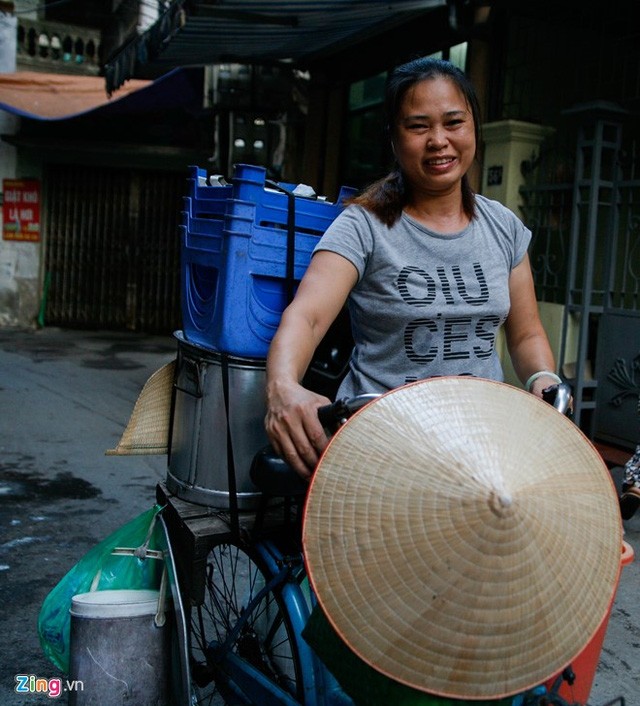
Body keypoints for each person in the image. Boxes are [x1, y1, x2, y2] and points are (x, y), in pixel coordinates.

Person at [265, 56, 560, 480]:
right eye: (418, 126)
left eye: (453, 122)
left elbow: (527, 332)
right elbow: (307, 317)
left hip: (482, 442)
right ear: (394, 138)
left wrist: (543, 378)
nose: (439, 140)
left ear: (474, 127)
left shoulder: (504, 227)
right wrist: (282, 388)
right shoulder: (363, 225)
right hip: (386, 441)